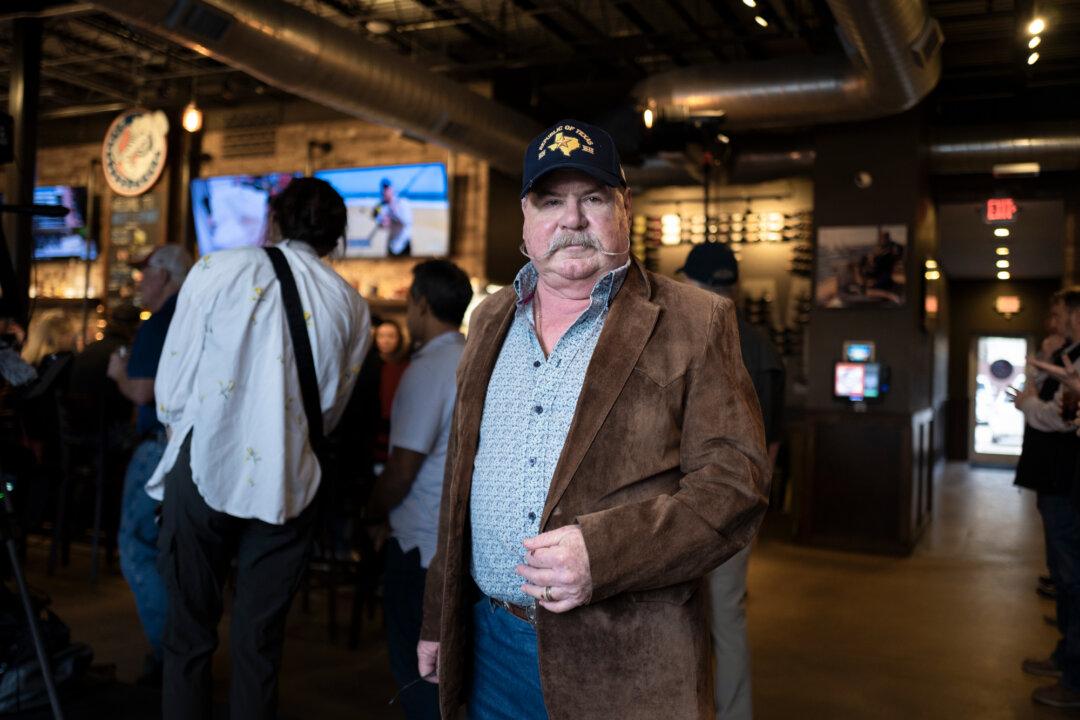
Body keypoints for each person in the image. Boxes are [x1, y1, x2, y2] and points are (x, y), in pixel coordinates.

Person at [416, 119, 769, 719]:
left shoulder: (694, 319)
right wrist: (439, 613)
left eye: (593, 198)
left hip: (624, 661)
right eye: (551, 201)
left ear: (624, 208)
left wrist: (603, 555)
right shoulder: (490, 318)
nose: (572, 220)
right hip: (490, 644)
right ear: (526, 219)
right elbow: (461, 481)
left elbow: (734, 486)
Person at [147, 177, 370, 720]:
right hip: (291, 483)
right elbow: (331, 411)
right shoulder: (351, 306)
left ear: (272, 222)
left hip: (204, 465)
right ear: (336, 240)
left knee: (188, 637)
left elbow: (172, 386)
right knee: (259, 646)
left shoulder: (217, 269)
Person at [678, 241, 784, 720]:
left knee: (674, 616)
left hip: (681, 508)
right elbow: (773, 442)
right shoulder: (763, 346)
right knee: (728, 618)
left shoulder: (684, 336)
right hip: (740, 506)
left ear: (696, 284)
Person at [369, 260, 472, 720]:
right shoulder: (474, 357)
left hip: (420, 543)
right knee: (455, 670)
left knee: (417, 671)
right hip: (461, 537)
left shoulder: (427, 368)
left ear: (422, 305)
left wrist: (370, 512)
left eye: (410, 301)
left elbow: (404, 465)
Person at [106, 244, 193, 685]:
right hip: (189, 449)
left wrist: (118, 371)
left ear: (166, 277)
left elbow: (143, 392)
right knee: (172, 554)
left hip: (158, 446)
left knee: (137, 547)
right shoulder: (193, 316)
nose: (140, 281)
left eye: (146, 273)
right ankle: (181, 654)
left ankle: (168, 656)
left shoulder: (160, 322)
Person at [1018, 287, 1080, 710]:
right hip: (1058, 477)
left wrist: (1027, 403)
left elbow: (1060, 417)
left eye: (1061, 313)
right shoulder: (1064, 354)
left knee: (1072, 579)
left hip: (1065, 479)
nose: (1055, 321)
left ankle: (1073, 678)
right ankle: (1067, 659)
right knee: (1066, 577)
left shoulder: (1072, 357)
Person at [376, 177, 413, 256]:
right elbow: (380, 223)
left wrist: (395, 212)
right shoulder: (382, 206)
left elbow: (406, 223)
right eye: (382, 189)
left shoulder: (403, 203)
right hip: (391, 245)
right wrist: (383, 223)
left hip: (404, 245)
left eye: (386, 188)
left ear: (392, 189)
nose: (384, 191)